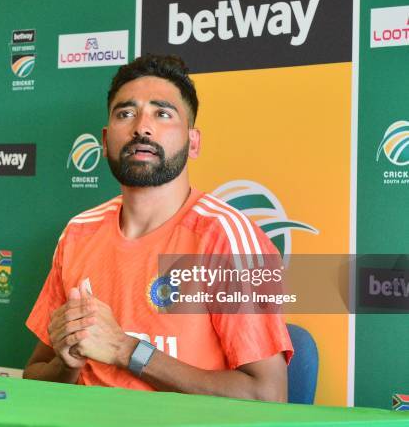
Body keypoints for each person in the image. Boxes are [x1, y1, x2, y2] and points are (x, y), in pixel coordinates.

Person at [23, 54, 293, 402]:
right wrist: (68, 364)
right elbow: (33, 376)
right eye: (126, 113)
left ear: (193, 142)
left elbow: (267, 395)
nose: (141, 127)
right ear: (105, 142)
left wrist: (126, 350)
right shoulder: (79, 233)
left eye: (162, 113)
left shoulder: (226, 237)